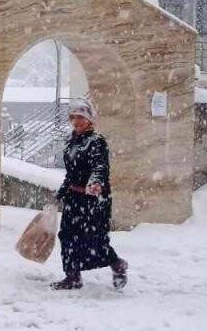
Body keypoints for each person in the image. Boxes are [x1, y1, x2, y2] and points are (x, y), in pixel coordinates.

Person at [50, 98, 129, 291]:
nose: (77, 121)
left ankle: (117, 264)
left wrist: (95, 183)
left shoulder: (97, 142)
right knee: (67, 236)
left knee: (94, 239)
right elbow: (71, 174)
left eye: (81, 117)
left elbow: (100, 166)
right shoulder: (71, 142)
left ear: (90, 120)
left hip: (94, 199)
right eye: (73, 117)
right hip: (74, 198)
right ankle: (72, 277)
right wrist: (59, 195)